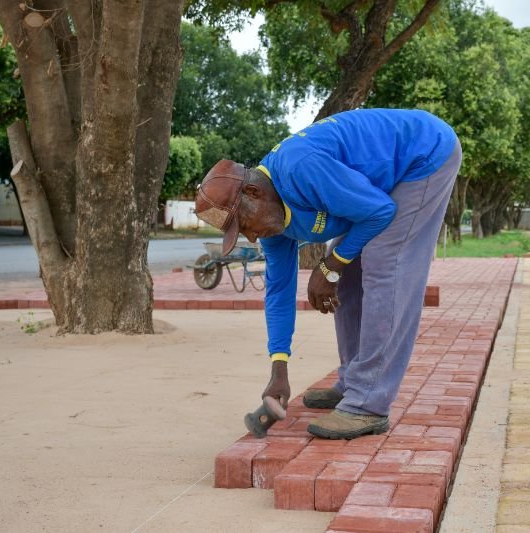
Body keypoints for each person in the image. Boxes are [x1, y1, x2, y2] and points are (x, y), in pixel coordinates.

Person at [195, 108, 461, 439]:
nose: (250, 236)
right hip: (380, 185)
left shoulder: (302, 170)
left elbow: (380, 212)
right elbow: (278, 293)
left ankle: (368, 404)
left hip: (424, 154)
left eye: (244, 225)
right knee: (348, 278)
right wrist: (280, 368)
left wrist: (330, 265)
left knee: (383, 264)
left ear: (253, 193)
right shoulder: (273, 225)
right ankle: (353, 381)